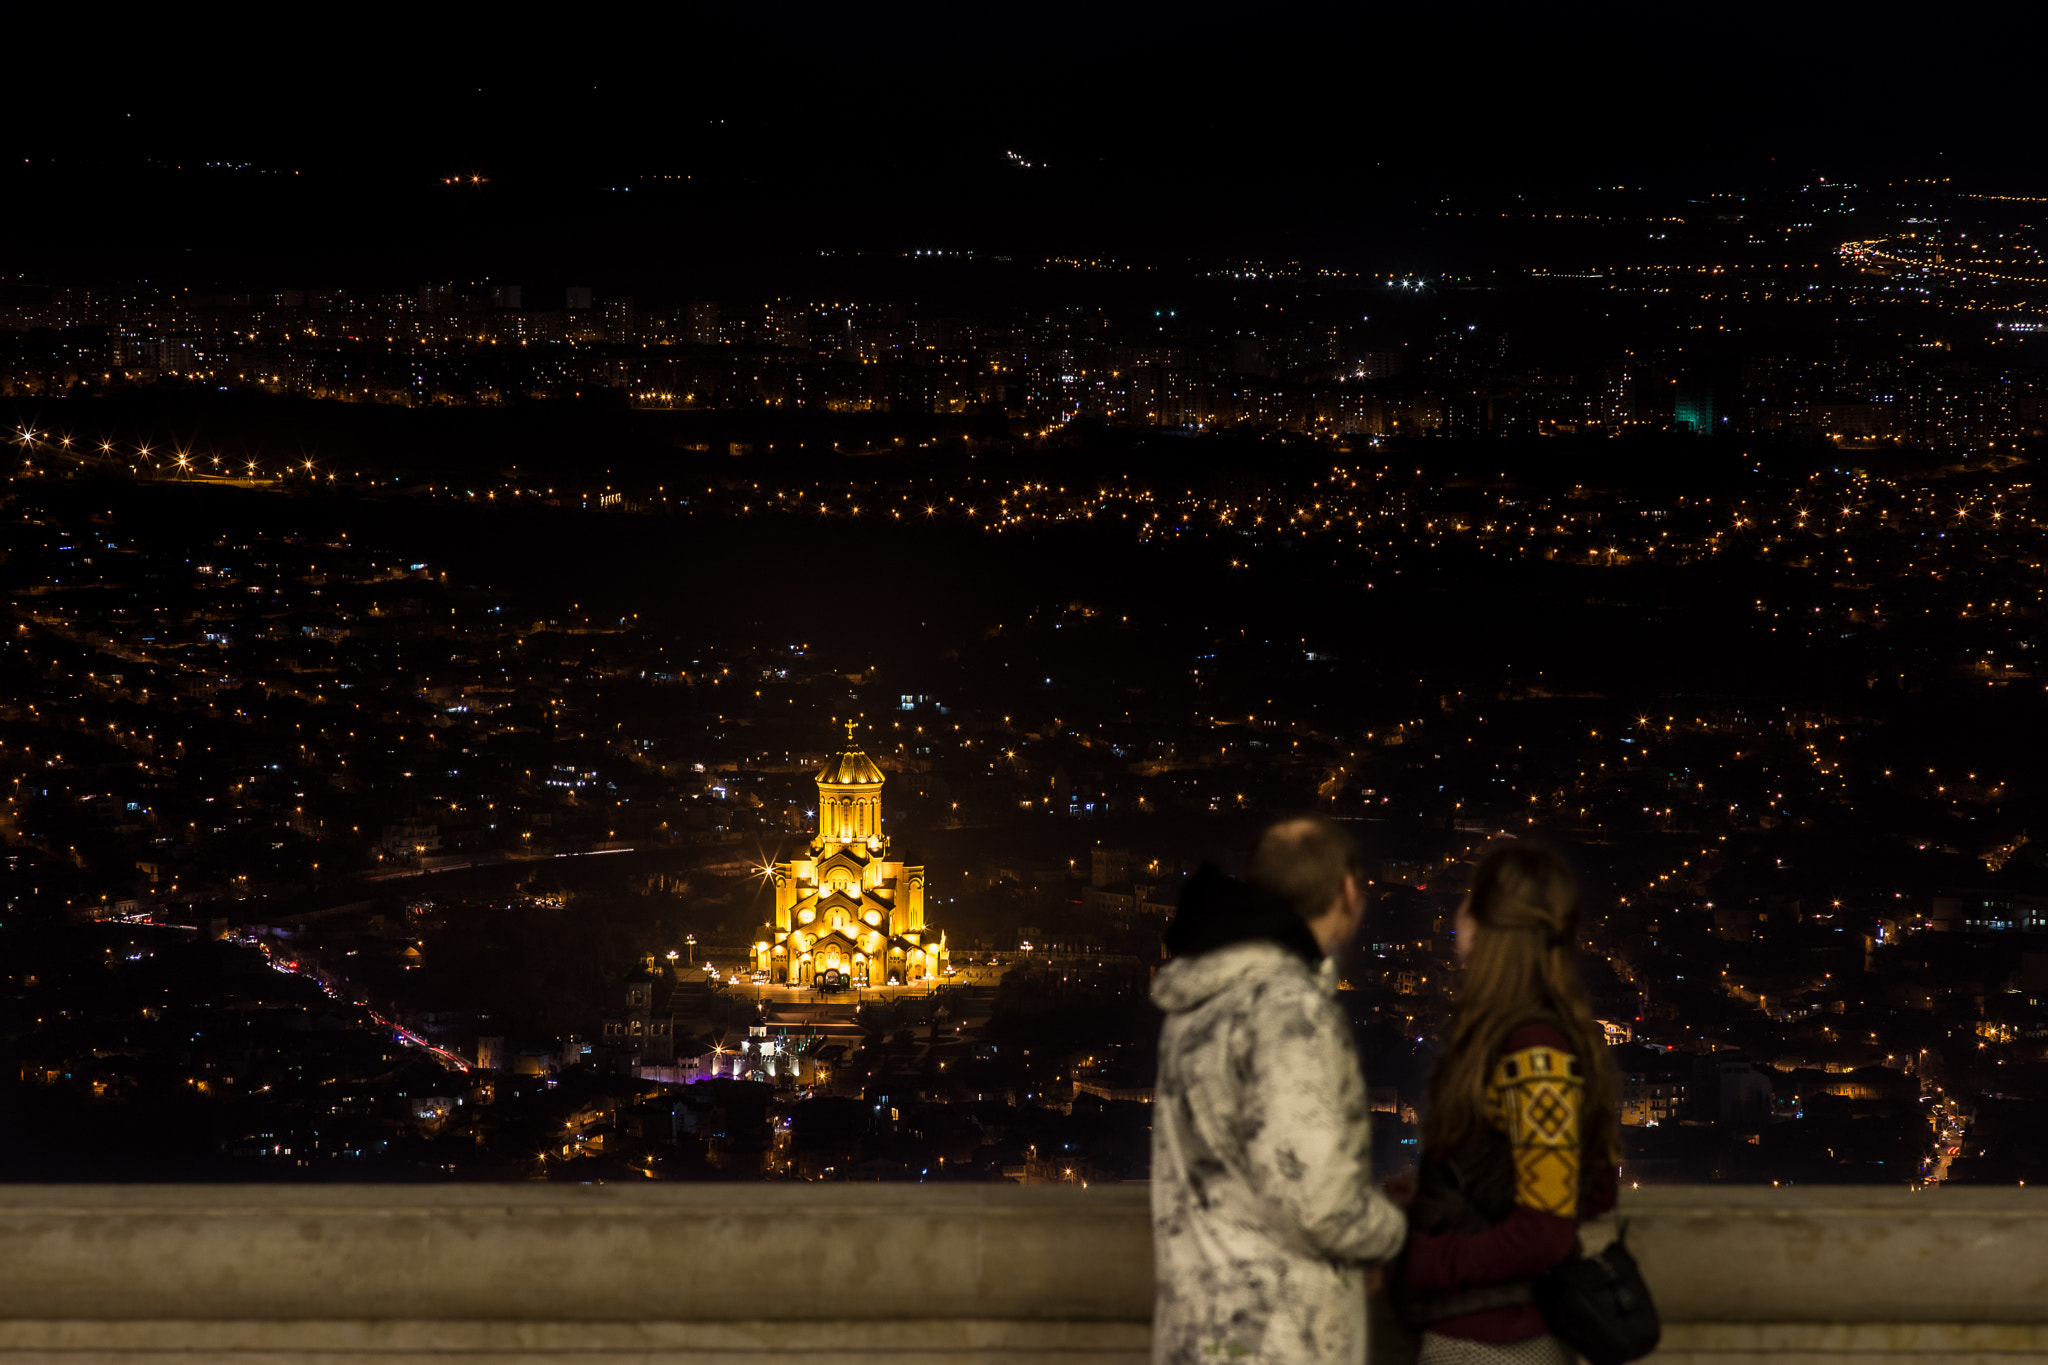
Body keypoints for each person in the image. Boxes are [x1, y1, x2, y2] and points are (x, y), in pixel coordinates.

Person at [1152, 816, 1408, 1365]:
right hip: (1280, 1338)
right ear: (1346, 891)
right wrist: (1395, 1230)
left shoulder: (1197, 999)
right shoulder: (1289, 1010)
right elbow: (1317, 1202)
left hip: (1200, 1330)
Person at [1399, 842, 1621, 1365]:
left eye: (1468, 900)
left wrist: (1425, 1259)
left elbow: (1546, 1229)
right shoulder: (1535, 1040)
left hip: (1494, 1343)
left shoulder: (1534, 1051)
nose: (1456, 915)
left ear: (1486, 925)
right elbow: (1586, 1187)